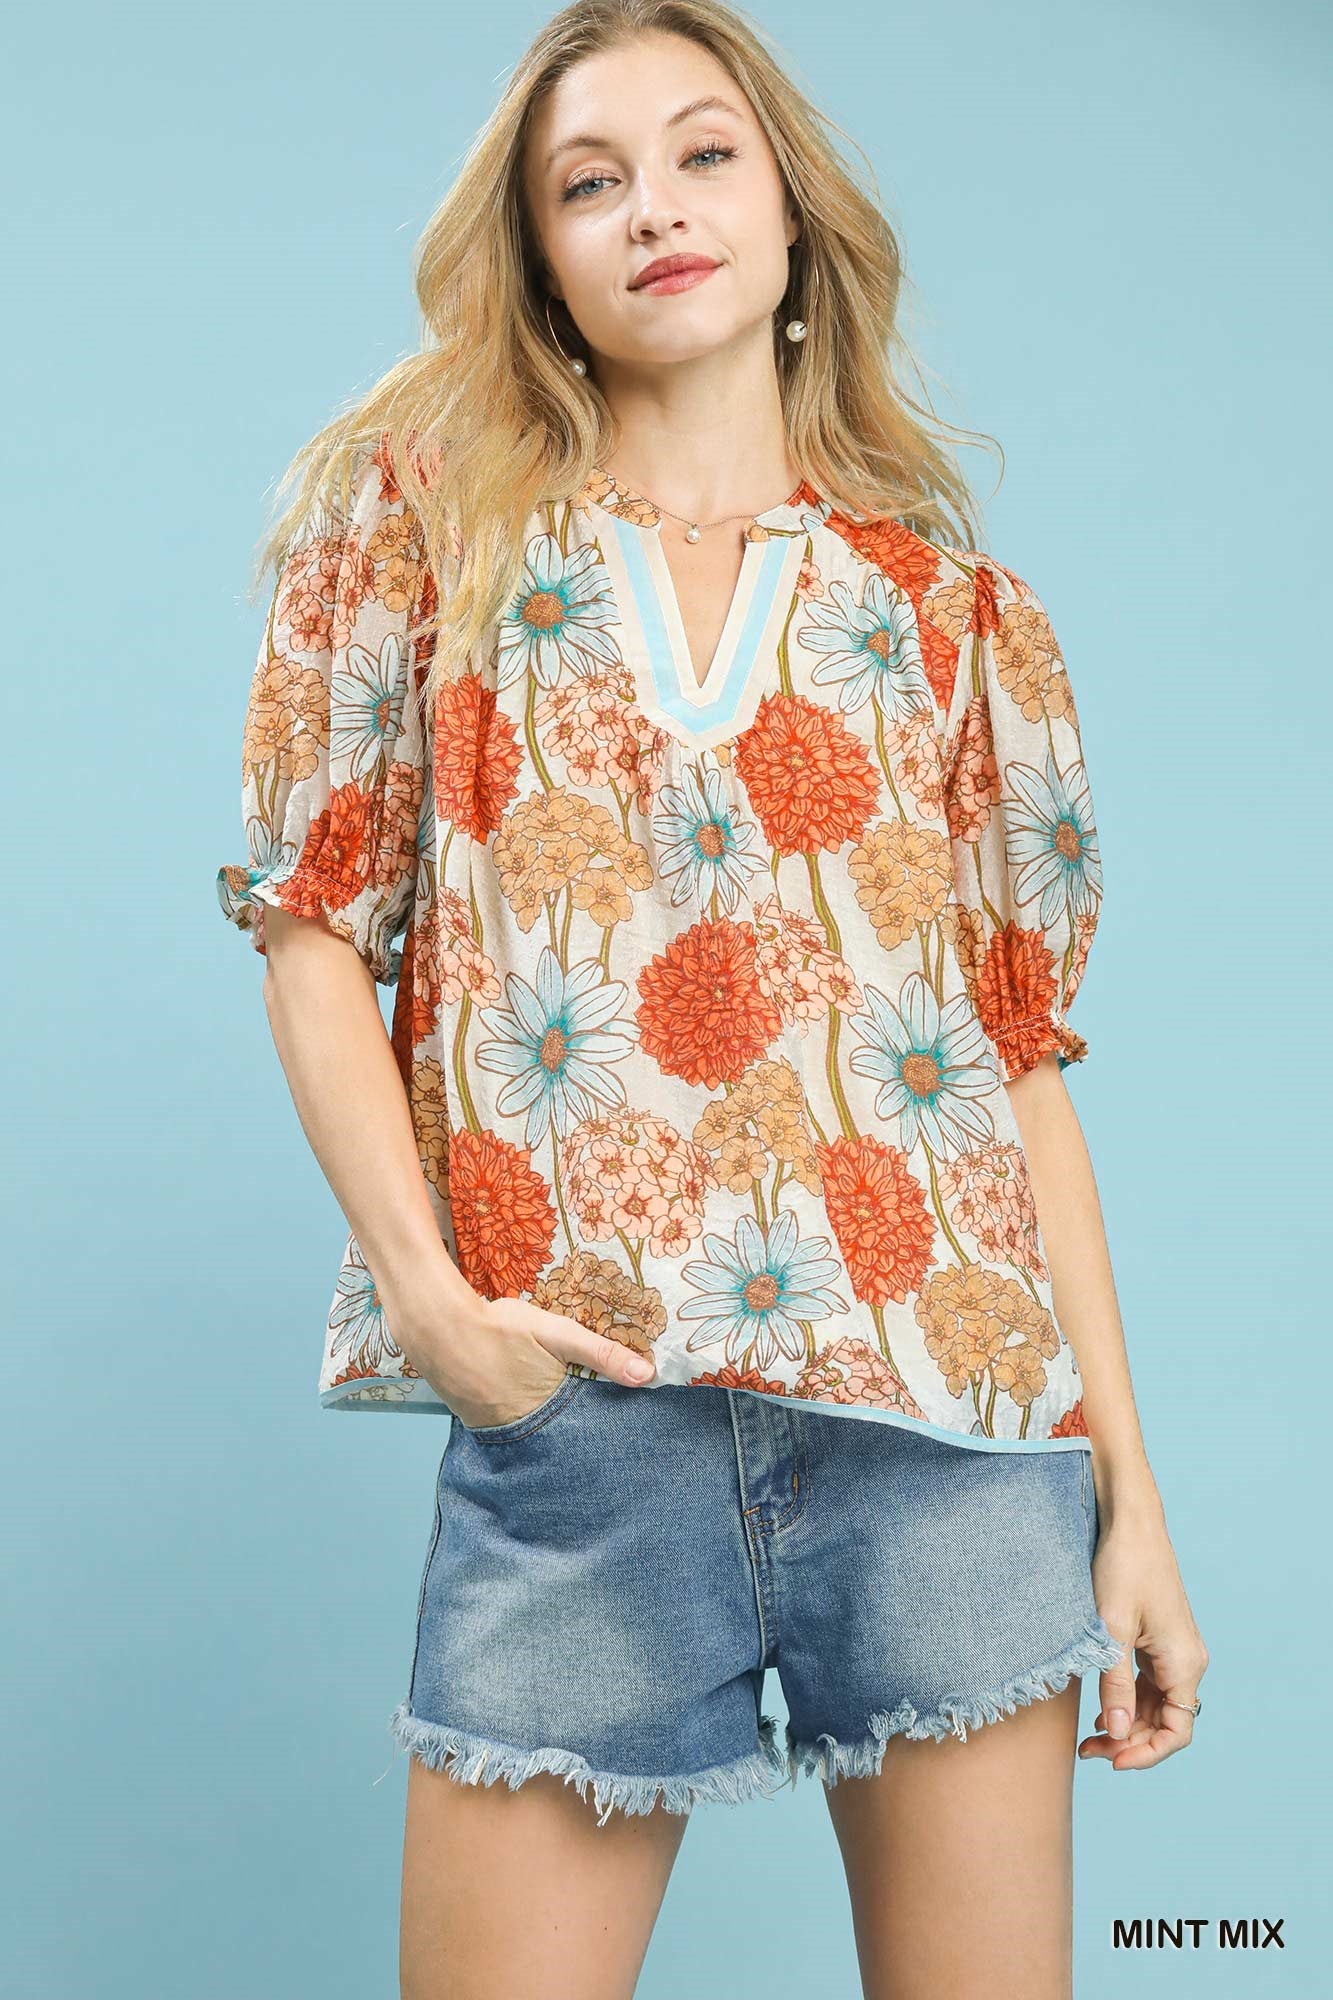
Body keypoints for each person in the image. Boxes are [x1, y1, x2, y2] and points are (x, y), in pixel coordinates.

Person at [215, 2, 1209, 1994]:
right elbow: (314, 926)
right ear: (541, 258)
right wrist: (433, 1308)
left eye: (701, 154)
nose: (652, 209)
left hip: (948, 1450)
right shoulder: (423, 538)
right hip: (579, 1438)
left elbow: (1013, 1068)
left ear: (789, 212)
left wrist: (1134, 1502)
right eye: (588, 182)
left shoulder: (949, 616)